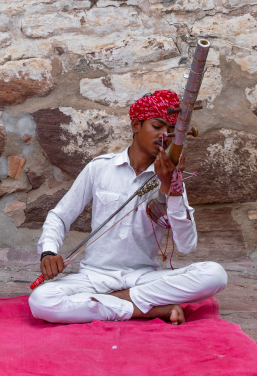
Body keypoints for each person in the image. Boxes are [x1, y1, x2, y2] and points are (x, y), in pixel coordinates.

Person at [29, 90, 227, 326]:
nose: (165, 136)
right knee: (41, 300)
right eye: (157, 126)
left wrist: (172, 188)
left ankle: (119, 301)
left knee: (215, 275)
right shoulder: (100, 168)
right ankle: (145, 309)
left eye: (171, 132)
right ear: (136, 125)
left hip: (143, 278)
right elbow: (60, 216)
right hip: (94, 277)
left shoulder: (171, 178)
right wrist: (49, 251)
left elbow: (187, 246)